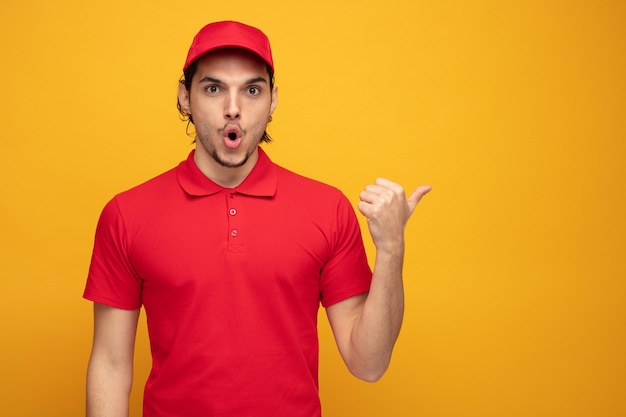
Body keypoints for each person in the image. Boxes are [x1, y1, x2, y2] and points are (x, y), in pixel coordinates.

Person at [84, 20, 431, 417]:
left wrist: (391, 250)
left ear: (273, 100)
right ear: (185, 97)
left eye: (252, 90)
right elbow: (110, 365)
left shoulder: (327, 209)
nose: (234, 108)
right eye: (213, 88)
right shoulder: (127, 214)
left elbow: (368, 363)